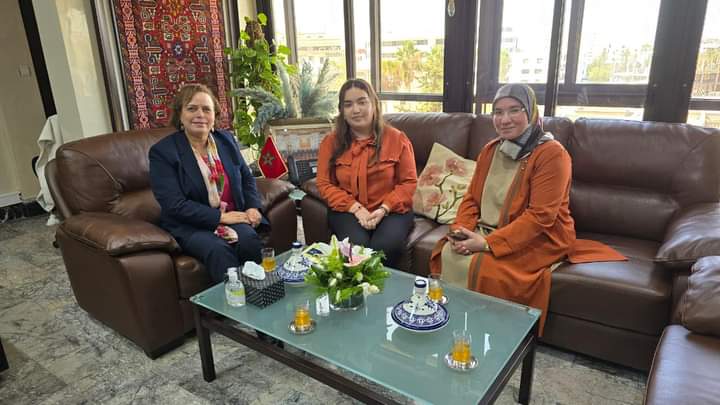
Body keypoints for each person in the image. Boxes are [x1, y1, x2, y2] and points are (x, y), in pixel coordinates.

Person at [429, 83, 624, 334]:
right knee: (449, 251)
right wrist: (460, 232)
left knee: (486, 266)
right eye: (498, 112)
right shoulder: (490, 150)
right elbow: (471, 199)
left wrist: (487, 244)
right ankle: (454, 324)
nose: (504, 119)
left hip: (540, 236)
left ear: (531, 112)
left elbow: (541, 216)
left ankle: (493, 333)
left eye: (514, 110)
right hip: (486, 229)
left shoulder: (552, 154)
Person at [149, 84, 266, 283]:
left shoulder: (226, 140)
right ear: (180, 115)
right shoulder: (163, 152)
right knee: (218, 249)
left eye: (206, 109)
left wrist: (252, 207)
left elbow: (246, 177)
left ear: (214, 116)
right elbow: (174, 205)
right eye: (192, 108)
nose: (200, 115)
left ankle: (259, 292)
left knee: (249, 240)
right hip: (190, 225)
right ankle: (231, 301)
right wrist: (221, 217)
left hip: (232, 216)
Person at [316, 79, 418, 268]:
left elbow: (409, 182)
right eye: (348, 104)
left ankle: (384, 287)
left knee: (384, 248)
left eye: (362, 102)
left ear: (374, 104)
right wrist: (355, 208)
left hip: (391, 210)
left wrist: (384, 208)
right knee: (357, 248)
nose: (355, 110)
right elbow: (324, 184)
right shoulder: (330, 142)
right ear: (342, 110)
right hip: (347, 209)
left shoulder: (397, 139)